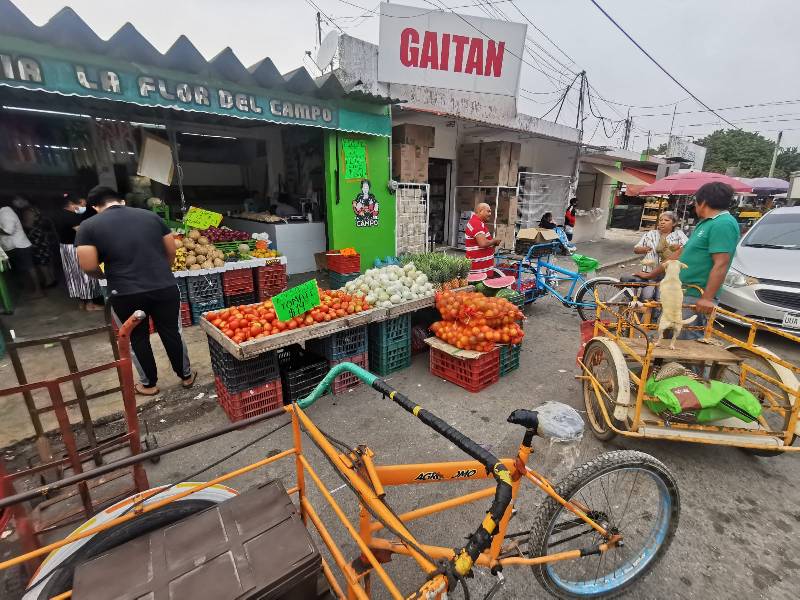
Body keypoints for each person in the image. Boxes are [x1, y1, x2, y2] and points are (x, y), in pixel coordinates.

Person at [76, 186, 195, 395]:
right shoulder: (151, 217)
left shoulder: (88, 226)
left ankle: (149, 385)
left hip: (124, 292)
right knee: (171, 332)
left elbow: (87, 265)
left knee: (137, 338)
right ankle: (186, 376)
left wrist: (103, 276)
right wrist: (160, 272)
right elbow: (171, 251)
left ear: (95, 206)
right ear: (121, 200)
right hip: (163, 286)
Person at [635, 182, 739, 338]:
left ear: (703, 202)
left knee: (685, 345)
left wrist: (707, 299)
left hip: (696, 294)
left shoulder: (723, 224)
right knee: (667, 338)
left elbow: (721, 263)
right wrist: (651, 275)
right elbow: (679, 254)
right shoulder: (705, 223)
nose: (694, 206)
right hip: (680, 291)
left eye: (695, 202)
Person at [54, 193, 102, 310]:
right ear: (71, 204)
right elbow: (82, 232)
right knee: (85, 274)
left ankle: (82, 303)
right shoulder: (71, 216)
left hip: (65, 248)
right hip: (75, 248)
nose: (84, 206)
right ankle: (90, 304)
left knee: (74, 275)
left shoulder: (59, 214)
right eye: (81, 204)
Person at [631, 211, 688, 300]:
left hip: (668, 275)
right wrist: (643, 249)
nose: (662, 222)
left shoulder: (679, 235)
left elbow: (687, 249)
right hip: (649, 272)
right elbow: (636, 249)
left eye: (666, 220)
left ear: (674, 223)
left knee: (660, 298)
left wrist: (678, 248)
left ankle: (657, 313)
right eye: (661, 220)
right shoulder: (651, 234)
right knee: (646, 297)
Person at [0, 197, 42, 297]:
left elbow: (8, 231)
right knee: (23, 269)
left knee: (29, 268)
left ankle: (39, 291)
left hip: (19, 245)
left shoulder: (5, 212)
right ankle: (31, 289)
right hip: (12, 246)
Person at [465, 202, 501, 277]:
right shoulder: (476, 223)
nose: (490, 214)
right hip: (479, 272)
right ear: (480, 211)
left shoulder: (477, 222)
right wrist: (495, 240)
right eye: (488, 211)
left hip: (481, 270)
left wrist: (492, 244)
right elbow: (483, 243)